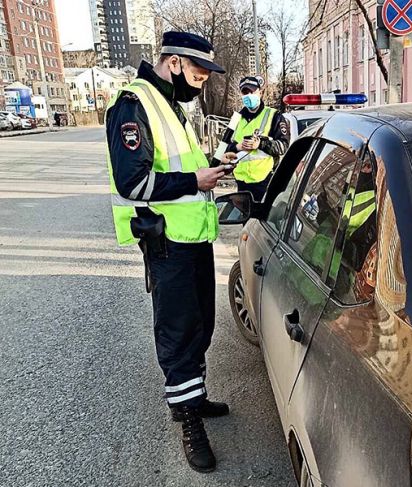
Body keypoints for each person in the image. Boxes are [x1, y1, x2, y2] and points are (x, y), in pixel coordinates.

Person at [105, 31, 230, 473]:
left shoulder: (170, 105)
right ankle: (188, 420)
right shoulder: (133, 104)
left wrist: (210, 171)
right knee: (178, 332)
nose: (201, 82)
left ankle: (193, 397)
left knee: (201, 325)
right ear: (174, 63)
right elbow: (132, 183)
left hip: (192, 238)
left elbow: (177, 166)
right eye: (198, 73)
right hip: (167, 243)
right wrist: (195, 181)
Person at [223, 76, 290, 202]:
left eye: (252, 91)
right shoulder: (236, 119)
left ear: (260, 92)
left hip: (265, 182)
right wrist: (238, 147)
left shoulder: (274, 115)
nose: (248, 95)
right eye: (245, 92)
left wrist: (260, 144)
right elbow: (223, 149)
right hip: (241, 183)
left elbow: (283, 146)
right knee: (246, 220)